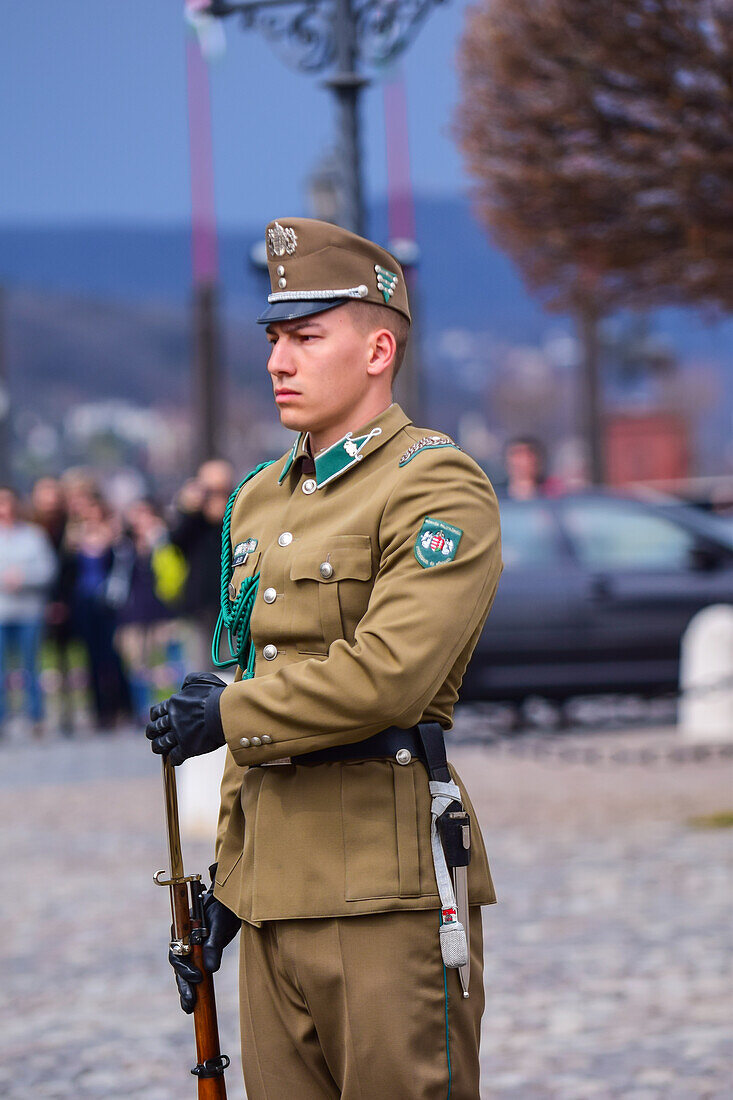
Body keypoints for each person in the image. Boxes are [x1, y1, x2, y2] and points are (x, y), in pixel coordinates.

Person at [147, 218, 503, 1099]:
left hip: (382, 890)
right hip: (272, 891)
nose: (278, 361)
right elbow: (262, 673)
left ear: (379, 348)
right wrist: (229, 879)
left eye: (306, 338)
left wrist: (228, 715)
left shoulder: (432, 481)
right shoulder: (262, 497)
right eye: (274, 338)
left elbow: (393, 673)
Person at [0, 486, 56, 737]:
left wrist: (24, 578)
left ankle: (35, 717)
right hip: (2, 612)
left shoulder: (33, 536)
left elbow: (48, 570)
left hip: (29, 612)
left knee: (31, 667)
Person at [169, 459, 234, 671]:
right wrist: (190, 510)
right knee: (197, 669)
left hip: (231, 603)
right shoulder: (193, 517)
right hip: (198, 605)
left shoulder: (238, 509)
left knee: (229, 666)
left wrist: (224, 515)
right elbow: (176, 542)